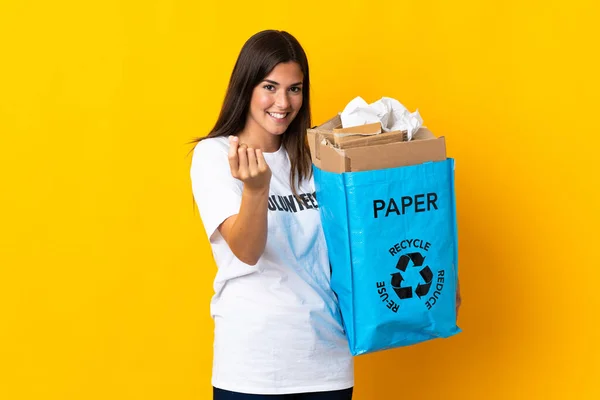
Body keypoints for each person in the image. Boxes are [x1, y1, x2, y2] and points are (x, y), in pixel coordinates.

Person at [190, 30, 354, 399]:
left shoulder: (319, 157)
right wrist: (256, 189)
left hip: (327, 362)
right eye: (270, 86)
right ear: (246, 87)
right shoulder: (216, 155)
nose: (283, 102)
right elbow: (246, 252)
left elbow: (354, 241)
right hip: (254, 367)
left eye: (295, 89)